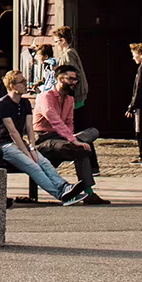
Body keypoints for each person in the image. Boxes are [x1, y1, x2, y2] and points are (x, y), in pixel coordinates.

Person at [0, 72, 82, 205]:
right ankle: (61, 195)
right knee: (33, 166)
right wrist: (28, 154)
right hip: (4, 145)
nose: (25, 83)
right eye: (21, 82)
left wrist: (32, 148)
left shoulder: (25, 103)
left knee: (43, 162)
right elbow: (13, 133)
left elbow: (29, 128)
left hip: (20, 144)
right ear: (13, 86)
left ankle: (64, 187)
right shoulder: (2, 104)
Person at [34, 62, 106, 203]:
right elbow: (56, 122)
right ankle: (89, 192)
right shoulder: (46, 97)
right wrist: (73, 140)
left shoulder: (70, 99)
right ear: (60, 79)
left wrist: (72, 138)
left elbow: (69, 123)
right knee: (80, 148)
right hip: (45, 138)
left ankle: (87, 192)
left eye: (75, 79)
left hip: (63, 137)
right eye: (71, 79)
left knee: (93, 132)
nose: (74, 82)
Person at [52, 25, 89, 107]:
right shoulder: (68, 53)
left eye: (56, 41)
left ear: (63, 40)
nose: (55, 44)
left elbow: (72, 74)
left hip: (75, 96)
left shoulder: (68, 54)